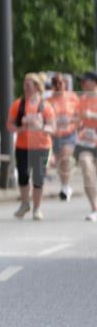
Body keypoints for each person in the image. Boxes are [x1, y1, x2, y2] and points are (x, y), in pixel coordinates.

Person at [6, 72, 56, 220]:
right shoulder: (18, 104)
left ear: (37, 87)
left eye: (30, 84)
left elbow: (53, 128)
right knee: (23, 176)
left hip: (41, 146)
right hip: (23, 146)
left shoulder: (45, 106)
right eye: (25, 84)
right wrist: (19, 129)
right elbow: (9, 124)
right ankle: (24, 204)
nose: (26, 86)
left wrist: (41, 128)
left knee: (38, 178)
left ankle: (37, 208)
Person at [49, 73, 80, 201]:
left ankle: (65, 187)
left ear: (65, 84)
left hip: (69, 133)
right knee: (59, 161)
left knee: (65, 158)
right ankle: (64, 185)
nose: (58, 85)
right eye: (55, 83)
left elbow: (79, 114)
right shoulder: (49, 101)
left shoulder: (72, 97)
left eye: (61, 83)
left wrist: (73, 121)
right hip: (56, 135)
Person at [74, 71, 97, 222]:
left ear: (94, 82)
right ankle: (94, 208)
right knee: (86, 168)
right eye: (81, 81)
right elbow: (75, 119)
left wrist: (93, 116)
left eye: (85, 81)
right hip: (86, 142)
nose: (82, 84)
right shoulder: (81, 100)